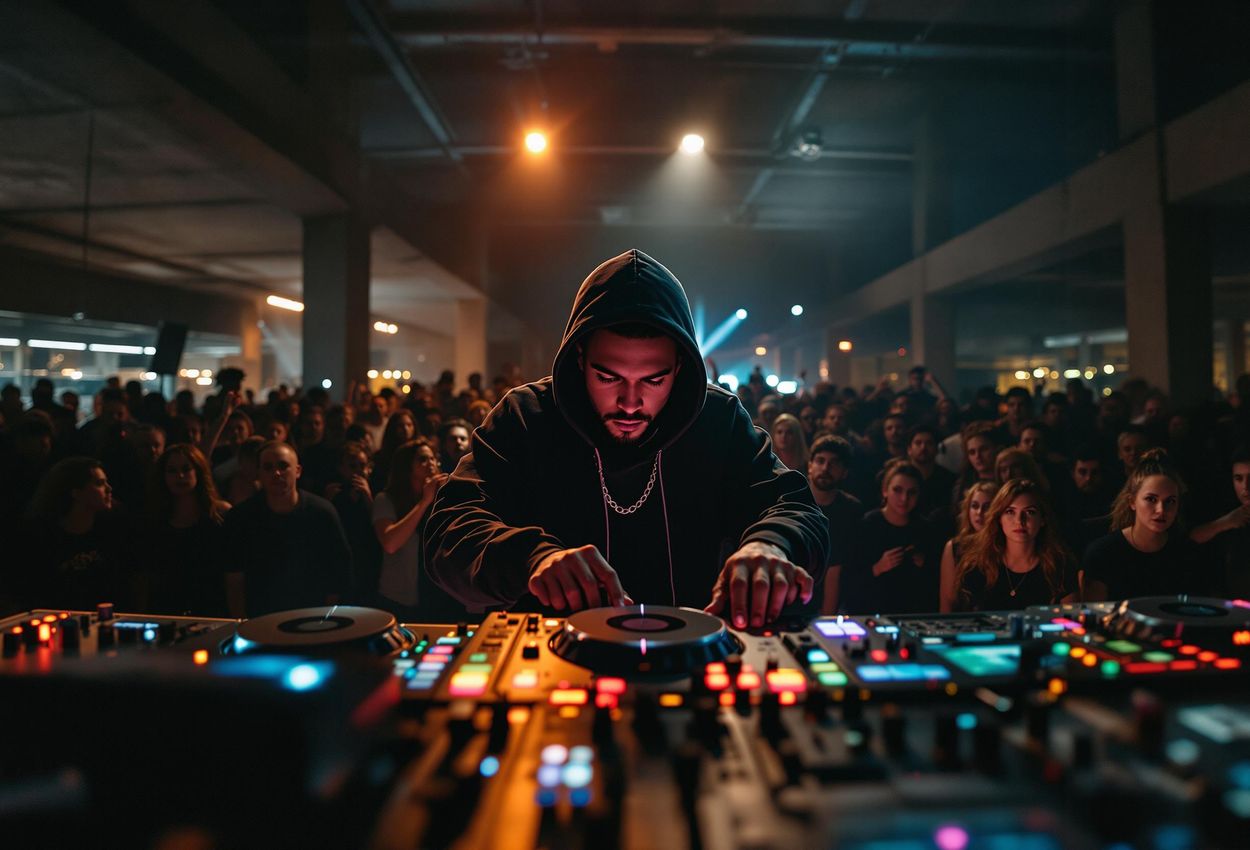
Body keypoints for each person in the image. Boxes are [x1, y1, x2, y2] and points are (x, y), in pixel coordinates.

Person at [425, 249, 828, 629]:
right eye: (608, 377)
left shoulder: (717, 420)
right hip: (553, 662)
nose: (630, 403)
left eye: (654, 379)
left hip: (687, 656)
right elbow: (448, 530)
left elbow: (797, 508)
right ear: (579, 356)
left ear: (680, 366)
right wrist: (533, 558)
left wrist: (771, 545)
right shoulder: (526, 417)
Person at [223, 441, 353, 617]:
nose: (276, 473)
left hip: (311, 617)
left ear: (298, 471)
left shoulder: (322, 513)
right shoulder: (241, 518)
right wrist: (240, 622)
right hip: (260, 620)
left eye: (283, 466)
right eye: (268, 468)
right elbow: (234, 578)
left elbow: (338, 572)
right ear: (259, 474)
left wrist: (325, 619)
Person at [1081, 449, 1207, 601]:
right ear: (1132, 501)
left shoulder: (1187, 553)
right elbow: (1095, 616)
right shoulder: (1103, 553)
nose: (1161, 510)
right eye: (1151, 499)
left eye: (1170, 501)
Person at [20, 457, 135, 610]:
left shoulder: (114, 525)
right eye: (99, 483)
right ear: (76, 493)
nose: (109, 488)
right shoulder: (41, 535)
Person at [951, 479, 1077, 611]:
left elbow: (1071, 622)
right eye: (1010, 512)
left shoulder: (1060, 566)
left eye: (1030, 512)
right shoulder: (978, 565)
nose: (1019, 521)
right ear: (999, 518)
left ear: (1043, 519)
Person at [140, 444, 231, 616]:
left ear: (198, 471)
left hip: (212, 610)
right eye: (172, 471)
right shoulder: (155, 520)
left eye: (186, 469)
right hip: (167, 611)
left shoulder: (220, 514)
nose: (180, 476)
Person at [840, 460, 936, 614]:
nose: (904, 498)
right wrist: (878, 568)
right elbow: (847, 581)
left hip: (910, 614)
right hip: (869, 612)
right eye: (897, 490)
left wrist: (925, 565)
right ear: (885, 491)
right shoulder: (867, 526)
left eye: (911, 492)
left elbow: (934, 585)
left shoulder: (925, 529)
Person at [373, 439, 453, 620]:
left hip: (438, 599)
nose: (431, 464)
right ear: (406, 467)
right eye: (423, 459)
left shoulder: (442, 500)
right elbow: (390, 543)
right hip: (399, 600)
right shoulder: (385, 499)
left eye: (433, 459)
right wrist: (424, 502)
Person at [807, 435, 865, 614]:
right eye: (820, 461)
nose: (825, 468)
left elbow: (839, 567)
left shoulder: (851, 509)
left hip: (837, 604)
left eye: (834, 463)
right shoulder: (790, 499)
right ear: (810, 466)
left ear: (844, 472)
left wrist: (827, 617)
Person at [1190, 446, 1250, 597]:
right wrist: (1226, 522)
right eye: (1238, 478)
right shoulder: (1228, 513)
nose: (1246, 487)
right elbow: (1189, 540)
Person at [938, 481, 998, 611]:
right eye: (974, 506)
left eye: (987, 507)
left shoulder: (1005, 545)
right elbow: (947, 602)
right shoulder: (955, 547)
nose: (979, 512)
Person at [906, 424, 957, 526]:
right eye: (918, 443)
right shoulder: (901, 478)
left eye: (929, 443)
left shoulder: (949, 479)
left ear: (937, 449)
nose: (923, 447)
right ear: (909, 449)